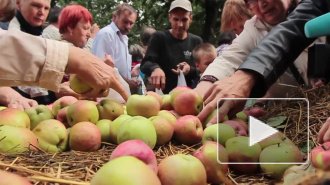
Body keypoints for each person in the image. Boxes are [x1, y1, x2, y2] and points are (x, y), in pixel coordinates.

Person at [197, 0, 329, 124]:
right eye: (253, 0)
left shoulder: (317, 7)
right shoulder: (253, 29)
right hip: (290, 121)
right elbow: (228, 59)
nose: (262, 3)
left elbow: (293, 29)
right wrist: (202, 89)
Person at [0, 0, 129, 106]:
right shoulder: (13, 29)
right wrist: (73, 58)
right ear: (18, 3)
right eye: (36, 5)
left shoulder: (36, 34)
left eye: (46, 8)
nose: (42, 12)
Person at [140, 0, 203, 93]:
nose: (180, 24)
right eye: (176, 19)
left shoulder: (197, 41)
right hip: (162, 96)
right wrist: (155, 68)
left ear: (191, 18)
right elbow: (145, 64)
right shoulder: (159, 38)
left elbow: (203, 71)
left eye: (184, 19)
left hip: (189, 96)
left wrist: (190, 70)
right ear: (170, 18)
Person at [92, 3, 139, 93]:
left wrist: (131, 77)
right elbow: (102, 68)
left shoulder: (123, 37)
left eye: (131, 23)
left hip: (120, 92)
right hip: (108, 93)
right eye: (125, 21)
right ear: (114, 17)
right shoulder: (106, 34)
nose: (128, 26)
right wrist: (127, 82)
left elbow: (118, 66)